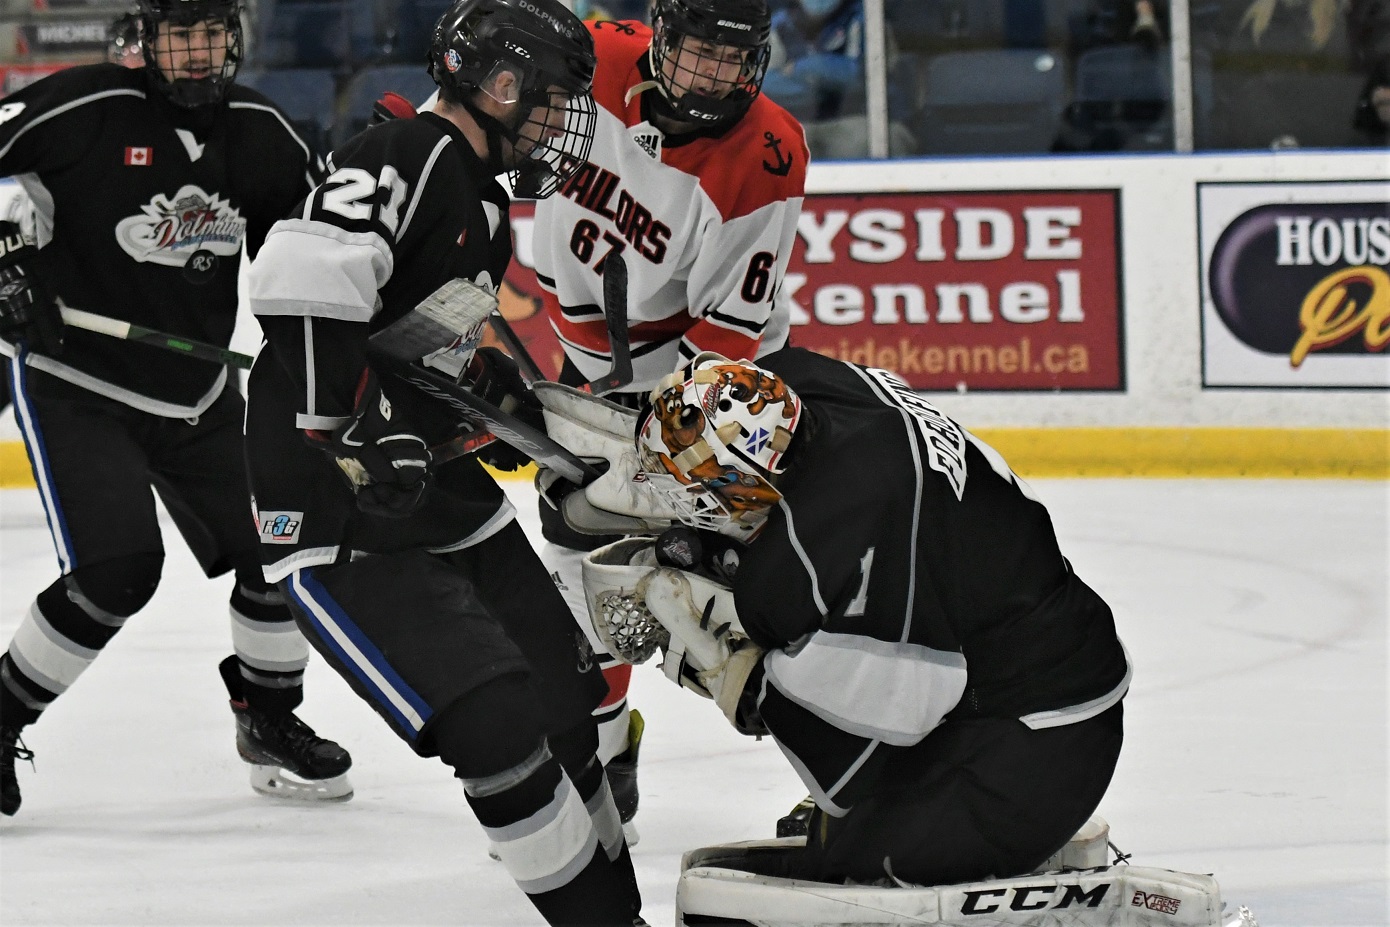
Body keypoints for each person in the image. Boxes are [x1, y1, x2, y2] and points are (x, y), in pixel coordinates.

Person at [240, 0, 644, 922]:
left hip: (435, 492)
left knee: (565, 703)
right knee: (497, 728)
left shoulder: (485, 198)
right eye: (549, 101)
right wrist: (344, 425)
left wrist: (488, 405)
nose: (559, 123)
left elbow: (416, 344)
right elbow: (299, 280)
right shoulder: (405, 156)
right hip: (336, 510)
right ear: (499, 87)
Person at [580, 348, 1131, 892]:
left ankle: (997, 829)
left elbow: (895, 723)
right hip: (1050, 641)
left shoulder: (813, 557)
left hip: (1049, 739)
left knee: (870, 859)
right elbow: (726, 429)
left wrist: (750, 683)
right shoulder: (806, 381)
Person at [0, 0, 354, 818]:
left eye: (210, 35)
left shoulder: (262, 130)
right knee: (117, 571)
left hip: (196, 394)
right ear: (145, 39)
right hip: (78, 381)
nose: (196, 54)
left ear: (234, 38)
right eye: (178, 36)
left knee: (283, 538)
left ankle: (268, 715)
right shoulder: (83, 105)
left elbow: (319, 250)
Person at [525, 0, 808, 843]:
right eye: (698, 52)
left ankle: (841, 774)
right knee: (583, 581)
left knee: (745, 590)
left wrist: (650, 455)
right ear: (659, 36)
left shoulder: (768, 151)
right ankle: (607, 754)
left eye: (736, 56)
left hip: (711, 389)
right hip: (589, 366)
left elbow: (723, 347)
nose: (717, 74)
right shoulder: (594, 56)